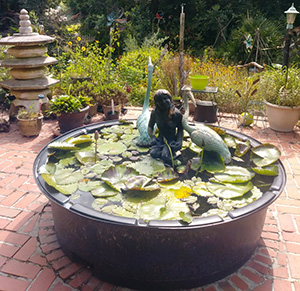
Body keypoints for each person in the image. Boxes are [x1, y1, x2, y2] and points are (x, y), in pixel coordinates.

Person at [148, 89, 183, 165]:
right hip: (160, 139)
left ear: (170, 99)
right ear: (157, 103)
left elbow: (180, 129)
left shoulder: (176, 113)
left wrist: (179, 141)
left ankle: (172, 154)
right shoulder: (155, 113)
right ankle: (167, 153)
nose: (164, 102)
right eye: (160, 100)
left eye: (165, 99)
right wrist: (153, 137)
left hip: (171, 140)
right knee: (153, 153)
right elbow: (150, 127)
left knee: (165, 156)